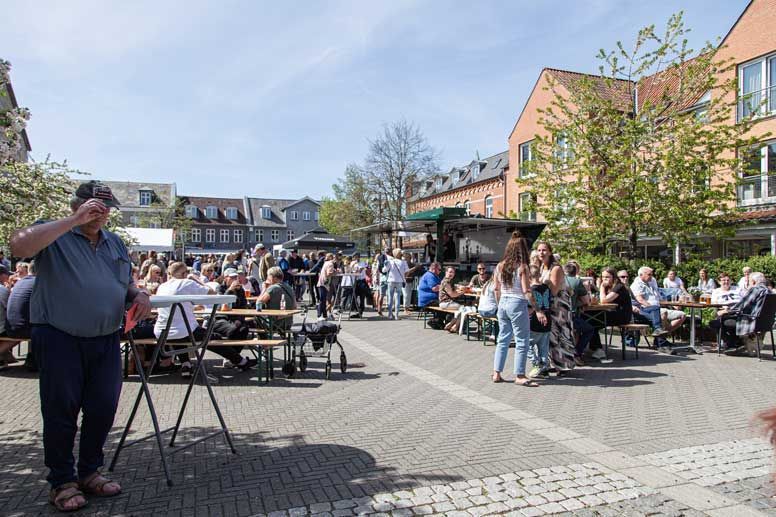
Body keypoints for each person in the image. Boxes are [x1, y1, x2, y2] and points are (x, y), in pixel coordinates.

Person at [10, 180, 152, 511]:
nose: (101, 216)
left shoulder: (114, 242)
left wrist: (139, 295)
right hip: (60, 335)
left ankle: (90, 471)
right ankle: (62, 480)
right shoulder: (54, 232)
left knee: (103, 407)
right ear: (78, 205)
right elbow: (18, 247)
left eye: (106, 210)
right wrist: (73, 221)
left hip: (105, 337)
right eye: (95, 209)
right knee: (61, 410)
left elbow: (124, 281)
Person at [155, 262, 256, 377]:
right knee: (213, 338)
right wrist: (197, 280)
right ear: (184, 273)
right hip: (183, 331)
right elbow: (212, 293)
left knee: (179, 332)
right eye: (187, 272)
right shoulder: (186, 283)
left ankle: (186, 365)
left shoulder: (162, 286)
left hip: (161, 332)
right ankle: (241, 362)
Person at [492, 232, 537, 387]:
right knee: (522, 340)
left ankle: (497, 372)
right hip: (517, 302)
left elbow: (496, 289)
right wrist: (536, 308)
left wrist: (499, 306)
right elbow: (526, 291)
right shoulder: (522, 267)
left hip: (503, 302)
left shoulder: (500, 266)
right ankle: (520, 374)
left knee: (503, 339)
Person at [536, 241, 576, 372]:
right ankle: (555, 363)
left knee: (562, 334)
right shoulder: (542, 267)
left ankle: (565, 365)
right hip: (548, 305)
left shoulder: (556, 268)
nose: (541, 253)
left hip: (559, 306)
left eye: (544, 250)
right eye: (539, 250)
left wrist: (540, 284)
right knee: (551, 335)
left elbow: (553, 290)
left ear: (550, 252)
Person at [710, 272, 771, 355]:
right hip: (765, 322)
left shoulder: (755, 290)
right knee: (724, 321)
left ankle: (735, 343)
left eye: (749, 281)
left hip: (750, 320)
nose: (748, 283)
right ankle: (736, 343)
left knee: (715, 323)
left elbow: (741, 306)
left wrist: (727, 311)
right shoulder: (769, 291)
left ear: (753, 282)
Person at [589, 267, 634, 360]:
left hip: (622, 315)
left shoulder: (619, 287)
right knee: (590, 319)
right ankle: (596, 348)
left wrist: (601, 287)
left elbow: (604, 300)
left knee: (591, 321)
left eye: (607, 277)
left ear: (614, 277)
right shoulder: (608, 287)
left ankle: (598, 350)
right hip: (612, 312)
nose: (604, 279)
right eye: (603, 277)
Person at [563, 262, 594, 366]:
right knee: (589, 330)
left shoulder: (559, 281)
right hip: (571, 315)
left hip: (559, 314)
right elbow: (586, 301)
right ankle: (577, 354)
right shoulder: (577, 282)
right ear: (576, 272)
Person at [527, 265, 551, 379]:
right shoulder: (546, 288)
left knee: (527, 345)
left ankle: (536, 363)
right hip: (547, 322)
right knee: (543, 347)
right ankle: (544, 369)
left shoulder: (530, 291)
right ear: (540, 275)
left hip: (534, 323)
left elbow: (529, 308)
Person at [383, 248, 409, 320]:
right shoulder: (404, 262)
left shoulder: (391, 261)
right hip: (399, 281)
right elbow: (407, 272)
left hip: (391, 281)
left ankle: (390, 315)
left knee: (390, 298)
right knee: (397, 298)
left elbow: (384, 270)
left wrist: (385, 264)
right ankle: (397, 315)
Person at [316, 253, 336, 320]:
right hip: (324, 283)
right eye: (334, 258)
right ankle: (319, 315)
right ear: (331, 257)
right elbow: (328, 274)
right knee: (322, 300)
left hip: (321, 283)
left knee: (323, 300)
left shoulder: (326, 263)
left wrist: (334, 270)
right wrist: (335, 272)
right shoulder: (330, 264)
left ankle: (324, 316)